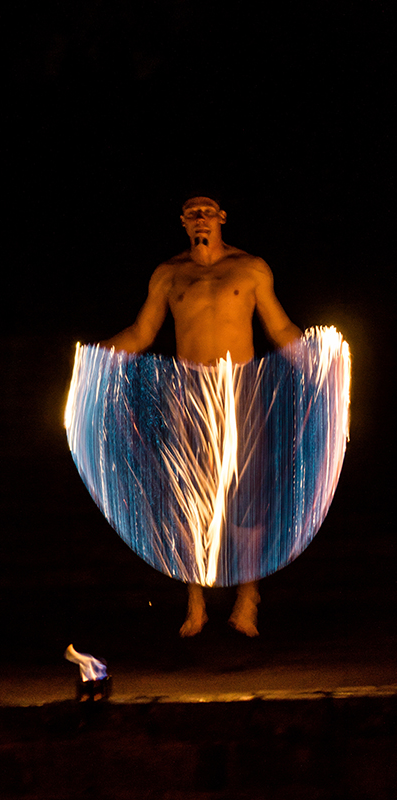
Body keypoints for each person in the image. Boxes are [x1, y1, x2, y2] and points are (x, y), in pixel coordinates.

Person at [100, 194, 302, 637]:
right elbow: (141, 331)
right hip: (189, 395)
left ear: (223, 218)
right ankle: (196, 601)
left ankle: (248, 596)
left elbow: (280, 327)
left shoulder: (250, 268)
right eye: (193, 213)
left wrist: (319, 357)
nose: (200, 219)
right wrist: (98, 355)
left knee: (244, 497)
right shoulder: (169, 274)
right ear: (183, 222)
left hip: (238, 391)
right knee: (191, 498)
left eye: (207, 211)